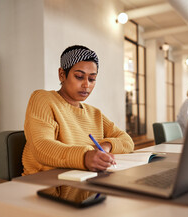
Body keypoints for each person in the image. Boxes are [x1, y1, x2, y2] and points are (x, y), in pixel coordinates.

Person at [22, 45, 134, 175]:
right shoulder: (43, 99)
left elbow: (127, 141)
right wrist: (85, 157)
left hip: (85, 185)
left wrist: (106, 146)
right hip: (47, 186)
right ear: (62, 75)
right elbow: (41, 146)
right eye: (79, 77)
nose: (86, 85)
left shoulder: (95, 113)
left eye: (92, 79)